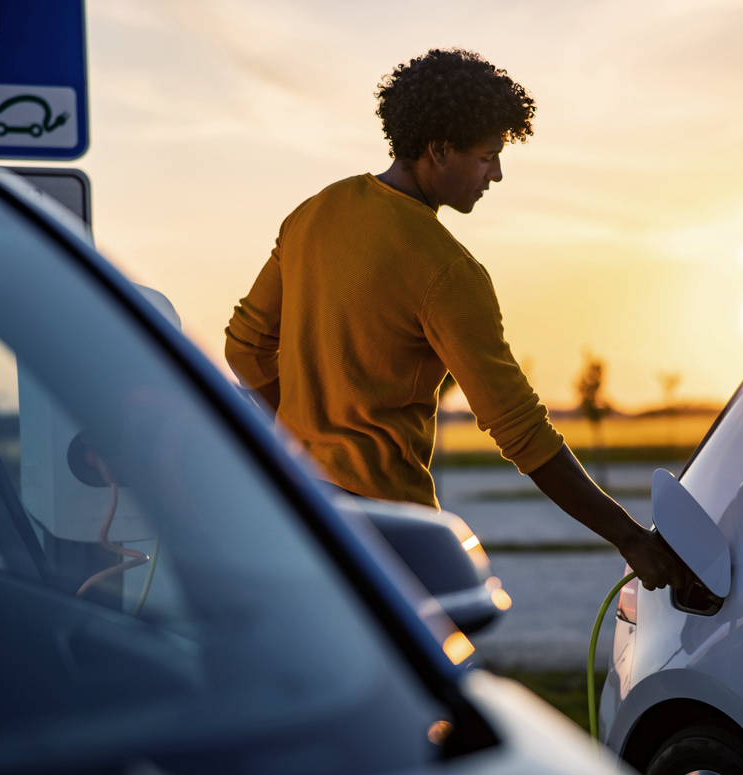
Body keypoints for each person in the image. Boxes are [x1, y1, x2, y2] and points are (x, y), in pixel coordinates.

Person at [225, 48, 686, 591]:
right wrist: (630, 537)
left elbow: (245, 350)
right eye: (487, 156)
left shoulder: (314, 212)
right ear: (440, 150)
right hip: (390, 532)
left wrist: (305, 440)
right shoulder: (447, 271)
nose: (496, 174)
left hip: (296, 508)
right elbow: (521, 430)